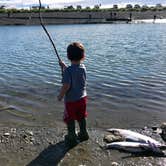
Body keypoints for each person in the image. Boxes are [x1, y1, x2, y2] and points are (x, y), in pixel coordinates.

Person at [57, 42, 89, 147]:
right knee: (81, 117)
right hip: (83, 98)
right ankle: (83, 133)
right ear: (83, 56)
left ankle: (72, 137)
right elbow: (73, 72)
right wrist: (64, 67)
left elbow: (66, 85)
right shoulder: (83, 67)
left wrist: (60, 96)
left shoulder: (68, 72)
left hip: (71, 101)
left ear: (68, 56)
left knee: (70, 119)